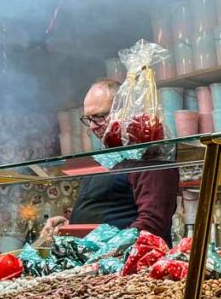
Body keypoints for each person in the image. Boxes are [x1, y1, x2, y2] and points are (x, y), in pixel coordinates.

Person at [41, 79, 180, 244]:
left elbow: (153, 223)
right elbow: (104, 208)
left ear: (125, 112)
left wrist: (108, 252)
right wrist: (70, 226)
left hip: (130, 263)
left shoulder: (149, 154)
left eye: (99, 117)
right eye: (89, 119)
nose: (92, 126)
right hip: (97, 262)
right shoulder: (104, 158)